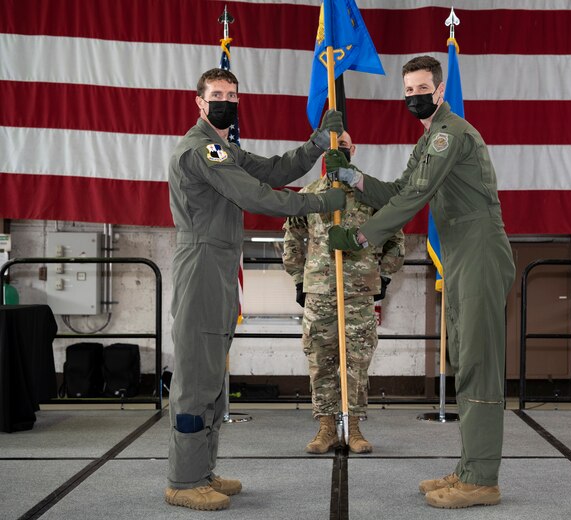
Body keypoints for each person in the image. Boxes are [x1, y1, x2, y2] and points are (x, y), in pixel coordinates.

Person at [326, 56, 515, 509]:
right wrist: (353, 176)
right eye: (407, 89)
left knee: (479, 363)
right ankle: (471, 466)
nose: (414, 96)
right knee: (467, 357)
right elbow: (397, 191)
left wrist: (359, 235)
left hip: (480, 250)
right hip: (462, 252)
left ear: (441, 88)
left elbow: (415, 196)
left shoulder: (450, 134)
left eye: (421, 87)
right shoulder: (431, 138)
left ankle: (482, 478)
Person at [165, 68, 346, 511]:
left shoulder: (225, 148)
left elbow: (272, 169)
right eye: (217, 95)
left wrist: (316, 145)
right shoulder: (202, 149)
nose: (226, 101)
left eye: (232, 94)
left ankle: (201, 470)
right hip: (203, 262)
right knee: (196, 377)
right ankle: (184, 481)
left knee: (213, 377)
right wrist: (316, 202)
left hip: (221, 263)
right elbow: (257, 195)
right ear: (200, 103)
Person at [282, 131, 405, 454]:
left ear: (354, 150)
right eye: (335, 147)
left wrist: (384, 275)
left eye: (345, 146)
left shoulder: (370, 194)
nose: (340, 151)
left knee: (357, 360)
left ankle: (354, 427)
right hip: (320, 292)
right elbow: (293, 239)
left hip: (359, 293)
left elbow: (396, 234)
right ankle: (326, 427)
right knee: (321, 359)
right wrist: (298, 279)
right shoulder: (309, 195)